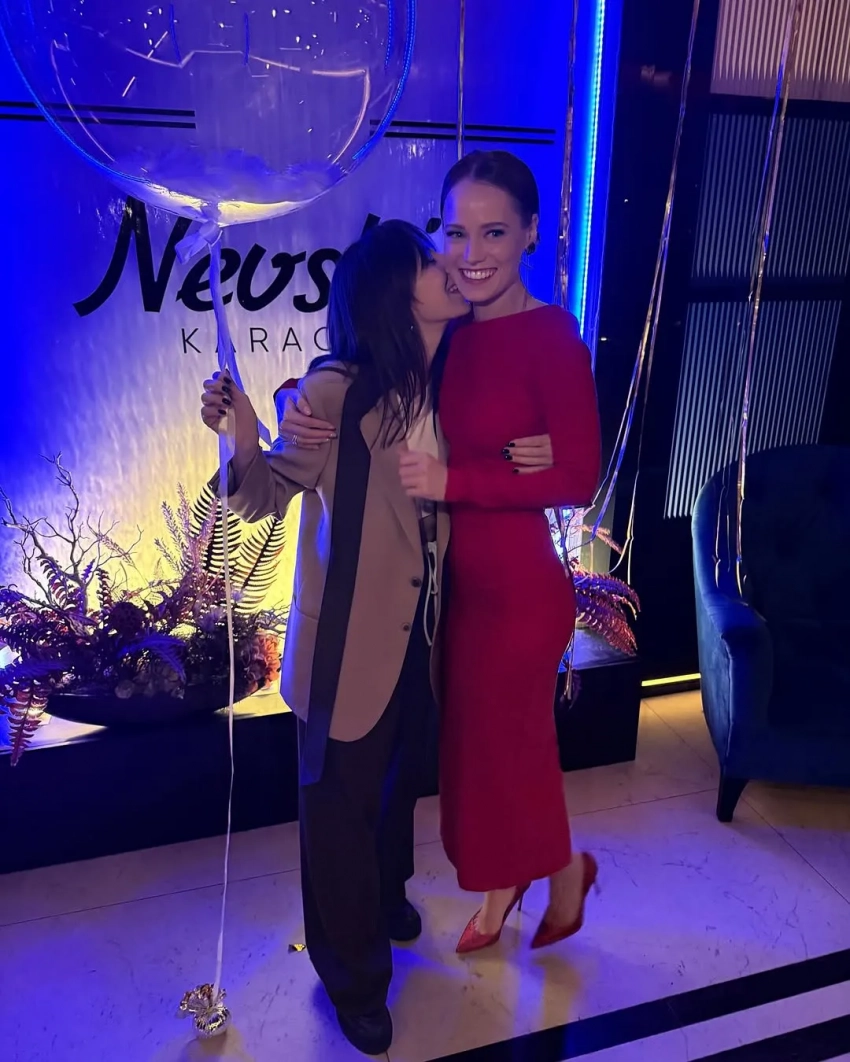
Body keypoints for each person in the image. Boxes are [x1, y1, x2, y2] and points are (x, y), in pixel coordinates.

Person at [279, 151, 602, 956]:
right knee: (478, 756)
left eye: (495, 232)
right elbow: (370, 365)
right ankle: (536, 874)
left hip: (519, 591)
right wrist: (296, 396)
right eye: (456, 233)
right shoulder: (452, 331)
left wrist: (462, 479)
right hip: (447, 594)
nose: (471, 252)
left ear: (531, 233)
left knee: (513, 748)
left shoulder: (552, 336)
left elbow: (579, 477)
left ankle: (543, 877)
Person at [199, 220, 468, 1057]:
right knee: (337, 812)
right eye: (428, 261)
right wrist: (245, 434)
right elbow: (262, 496)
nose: (447, 266)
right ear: (393, 290)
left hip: (425, 637)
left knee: (396, 790)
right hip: (348, 643)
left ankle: (384, 897)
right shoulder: (333, 393)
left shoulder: (447, 377)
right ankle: (353, 978)